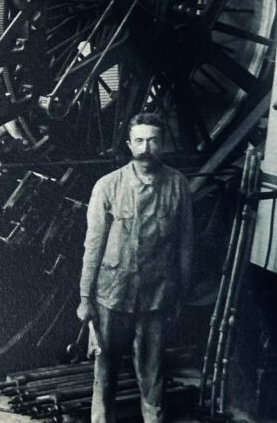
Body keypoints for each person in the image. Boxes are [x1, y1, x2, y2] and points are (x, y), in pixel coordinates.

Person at [77, 112, 194, 423]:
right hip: (112, 295)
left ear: (164, 145)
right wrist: (85, 298)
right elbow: (93, 247)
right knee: (106, 370)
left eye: (153, 140)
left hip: (158, 296)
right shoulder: (108, 186)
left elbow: (185, 244)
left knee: (153, 370)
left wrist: (181, 293)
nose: (146, 147)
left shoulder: (178, 186)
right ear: (129, 145)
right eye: (140, 140)